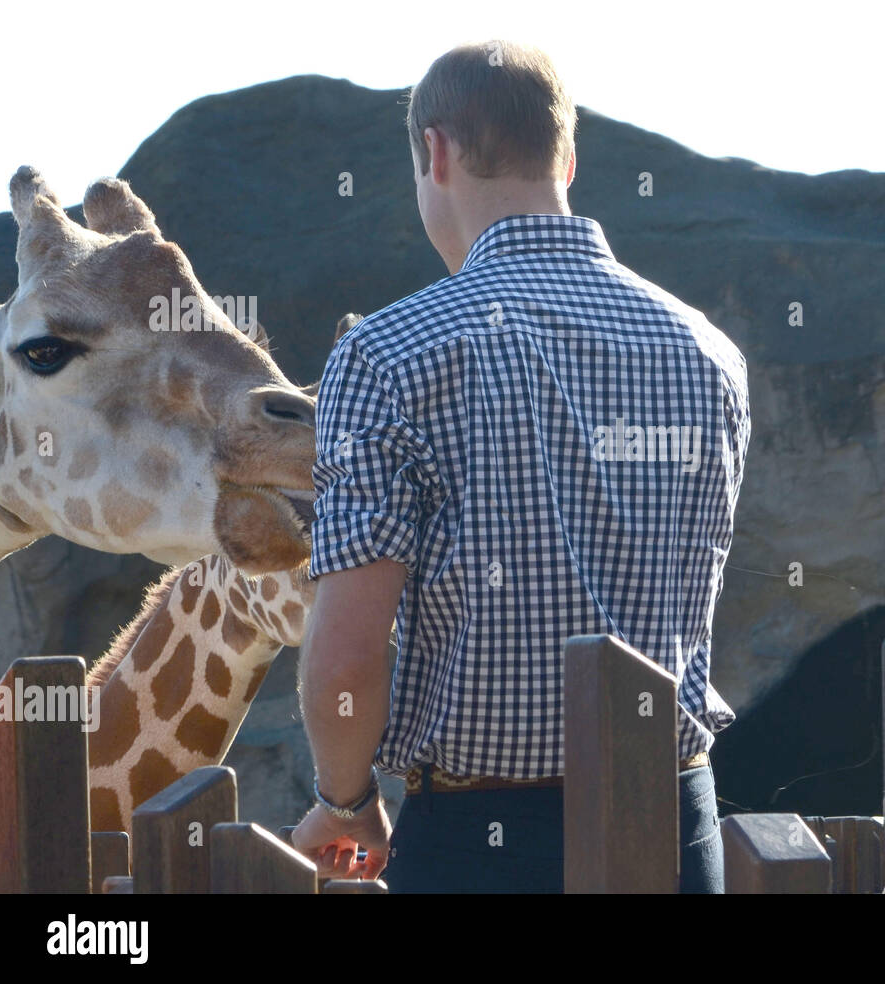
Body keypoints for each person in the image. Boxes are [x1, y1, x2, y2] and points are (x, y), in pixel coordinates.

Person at [290, 40, 749, 893]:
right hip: (676, 826)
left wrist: (344, 801)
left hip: (476, 847)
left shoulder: (386, 355)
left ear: (434, 151)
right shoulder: (711, 355)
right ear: (568, 160)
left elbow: (349, 653)